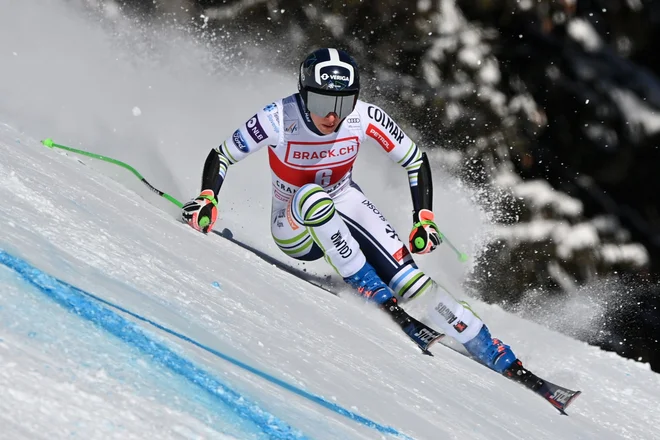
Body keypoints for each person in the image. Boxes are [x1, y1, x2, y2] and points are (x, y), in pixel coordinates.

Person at [181, 48, 520, 375]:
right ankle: (368, 284)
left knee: (412, 282)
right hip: (293, 224)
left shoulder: (364, 117)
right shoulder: (278, 118)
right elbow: (222, 154)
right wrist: (208, 197)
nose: (332, 115)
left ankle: (488, 346)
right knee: (312, 196)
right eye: (322, 102)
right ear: (303, 95)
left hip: (345, 202)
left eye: (343, 103)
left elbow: (414, 159)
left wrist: (424, 218)